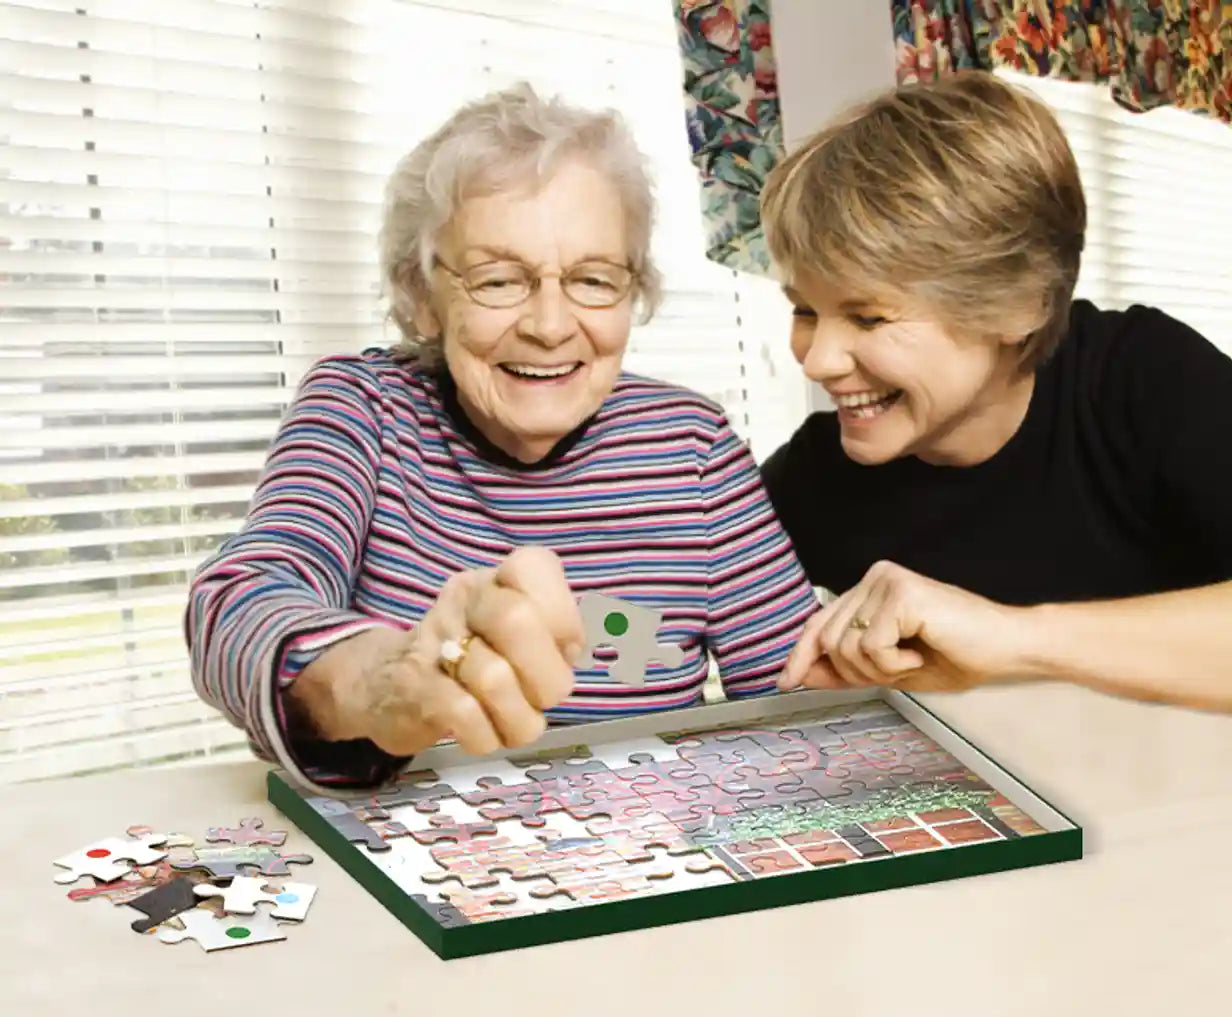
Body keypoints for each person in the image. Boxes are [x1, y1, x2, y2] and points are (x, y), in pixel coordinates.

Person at [184, 83, 820, 793]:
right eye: (497, 280)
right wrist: (387, 680)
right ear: (422, 297)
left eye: (592, 279)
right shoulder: (363, 410)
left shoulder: (692, 447)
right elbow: (238, 602)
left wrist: (907, 655)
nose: (550, 325)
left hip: (650, 863)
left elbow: (802, 701)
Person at [757, 70, 1232, 713]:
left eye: (868, 317)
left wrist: (1012, 639)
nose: (817, 361)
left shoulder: (1147, 382)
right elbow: (644, 613)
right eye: (804, 311)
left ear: (1020, 305)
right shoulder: (814, 476)